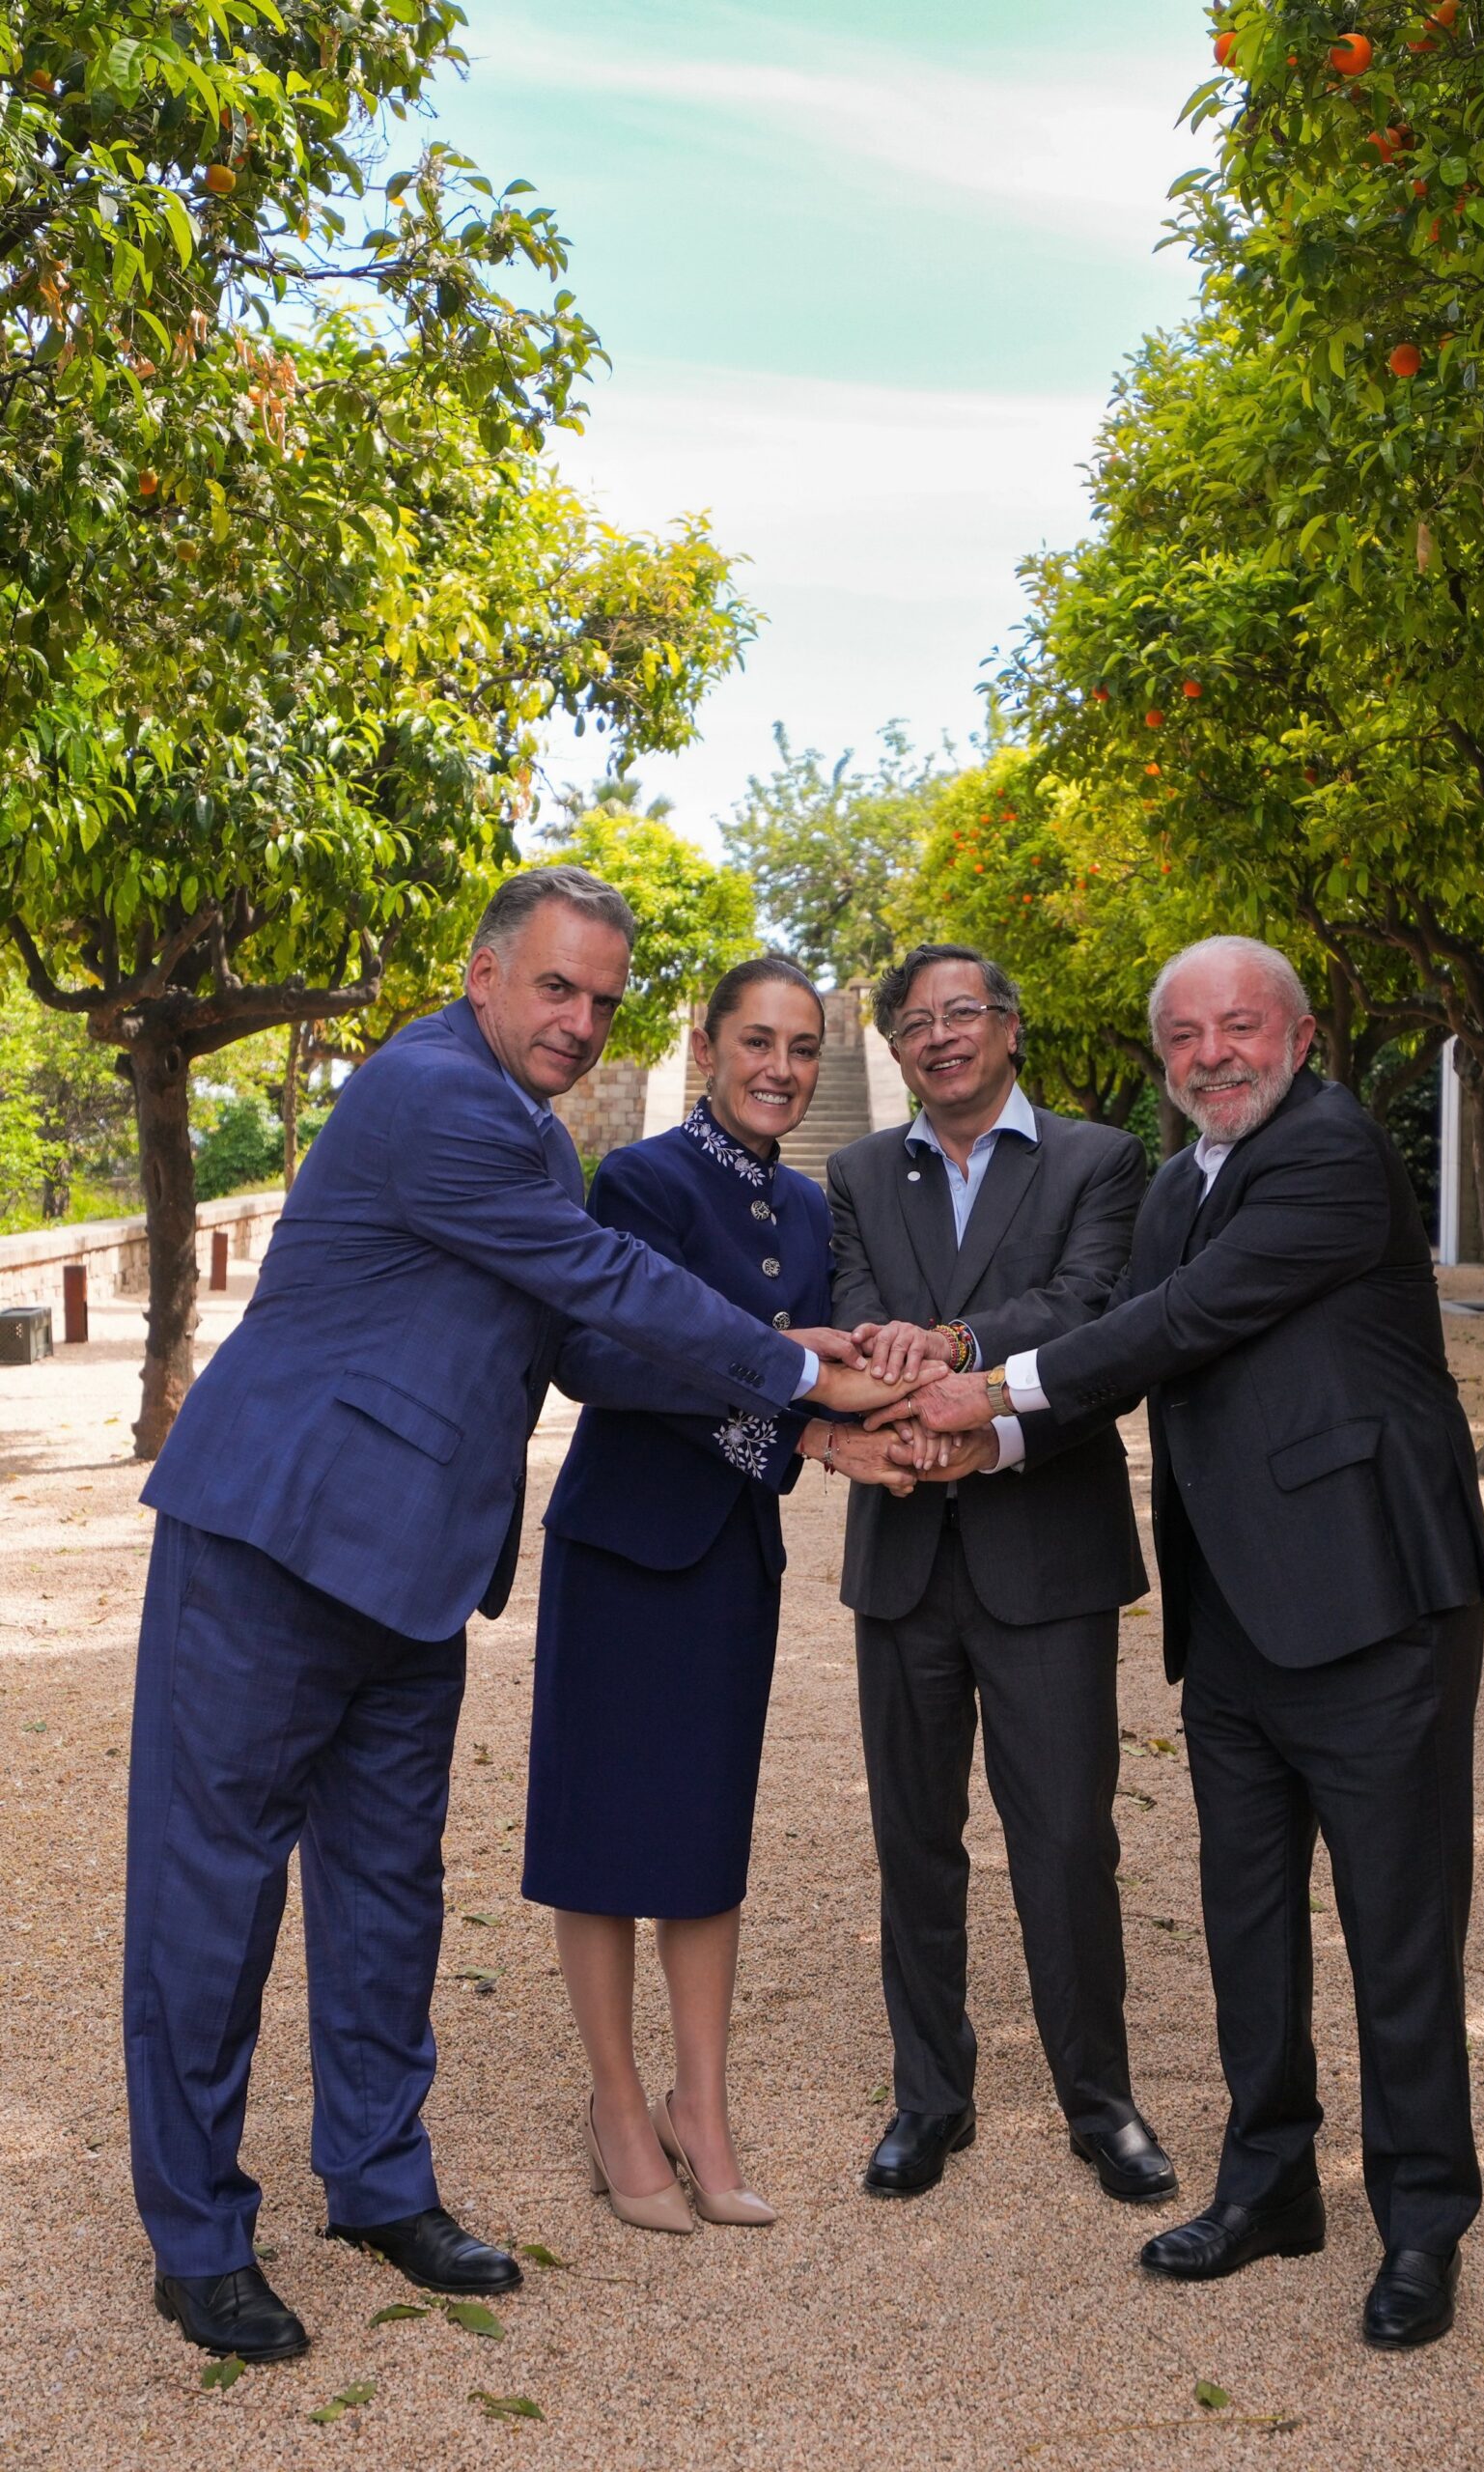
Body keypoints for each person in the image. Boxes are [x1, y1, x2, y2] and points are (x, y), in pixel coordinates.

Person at [126, 869, 931, 2364]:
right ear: (484, 974)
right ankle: (198, 2239)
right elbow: (598, 1272)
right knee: (211, 1905)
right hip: (270, 1544)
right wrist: (801, 1372)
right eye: (557, 987)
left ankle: (379, 2184)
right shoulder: (434, 1091)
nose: (579, 1021)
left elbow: (585, 1344)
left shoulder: (532, 1131)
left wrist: (807, 1408)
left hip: (418, 1568)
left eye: (605, 1001)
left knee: (389, 1899)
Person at [899, 934, 1484, 2350]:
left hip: (1373, 1607)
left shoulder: (1333, 1152)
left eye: (1240, 1027)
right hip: (1230, 1615)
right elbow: (1126, 1345)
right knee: (1246, 1921)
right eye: (1185, 1036)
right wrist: (975, 1449)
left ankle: (1423, 2221)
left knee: (1400, 1932)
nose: (1212, 1056)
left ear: (1299, 1036)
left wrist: (988, 1387)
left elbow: (1188, 1317)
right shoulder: (1180, 1181)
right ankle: (1271, 2184)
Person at [522, 957, 918, 2233]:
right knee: (599, 1843)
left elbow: (806, 1391)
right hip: (622, 1546)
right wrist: (793, 1380)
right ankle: (616, 2105)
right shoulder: (640, 1180)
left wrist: (846, 1427)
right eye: (758, 1042)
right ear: (706, 1047)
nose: (782, 1070)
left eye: (803, 1049)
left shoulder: (806, 1208)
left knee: (704, 1844)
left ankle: (704, 2108)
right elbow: (598, 1358)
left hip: (732, 1554)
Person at [826, 942, 1176, 2205]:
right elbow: (855, 1311)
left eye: (962, 1011)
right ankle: (930, 2097)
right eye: (914, 1022)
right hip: (905, 1546)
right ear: (898, 1050)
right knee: (914, 1843)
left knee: (1068, 1841)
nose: (940, 1035)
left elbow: (1090, 1312)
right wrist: (910, 1396)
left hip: (1049, 1552)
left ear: (1010, 1027)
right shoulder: (859, 1171)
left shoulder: (1101, 1160)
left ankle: (1101, 2100)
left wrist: (957, 1348)